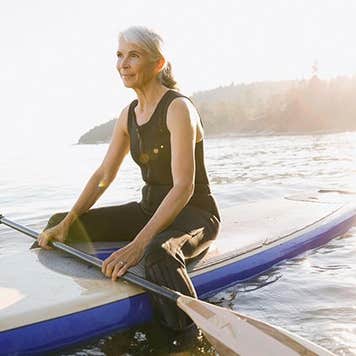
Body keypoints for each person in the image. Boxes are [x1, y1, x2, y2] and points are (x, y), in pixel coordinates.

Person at [36, 25, 220, 353]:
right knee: (59, 222)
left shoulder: (178, 108)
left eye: (133, 55)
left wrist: (138, 244)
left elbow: (184, 187)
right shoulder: (128, 115)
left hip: (194, 214)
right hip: (150, 209)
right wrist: (68, 222)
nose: (123, 63)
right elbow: (104, 174)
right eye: (120, 55)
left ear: (158, 64)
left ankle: (188, 341)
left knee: (158, 256)